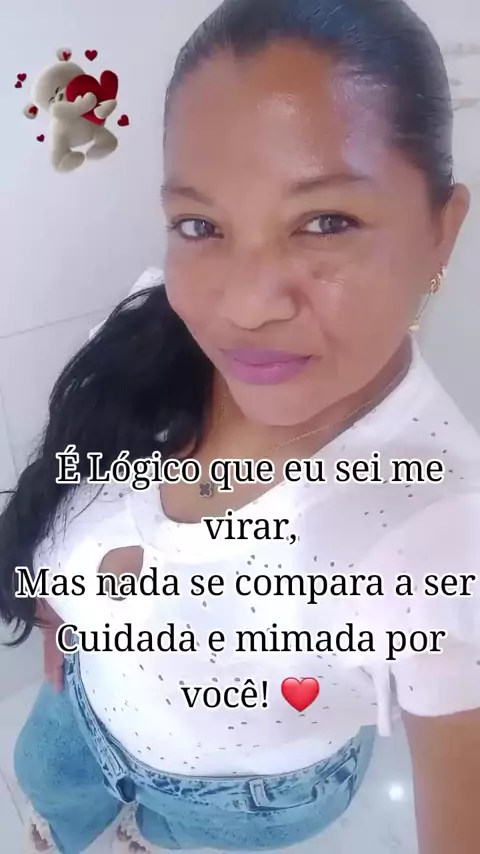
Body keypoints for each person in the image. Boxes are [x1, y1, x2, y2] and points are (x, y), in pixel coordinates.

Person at [1, 0, 480, 852]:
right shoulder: (153, 331)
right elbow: (76, 488)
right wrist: (64, 620)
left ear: (441, 233)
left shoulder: (444, 536)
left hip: (237, 801)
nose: (246, 306)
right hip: (74, 712)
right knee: (48, 803)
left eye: (326, 221)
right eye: (202, 225)